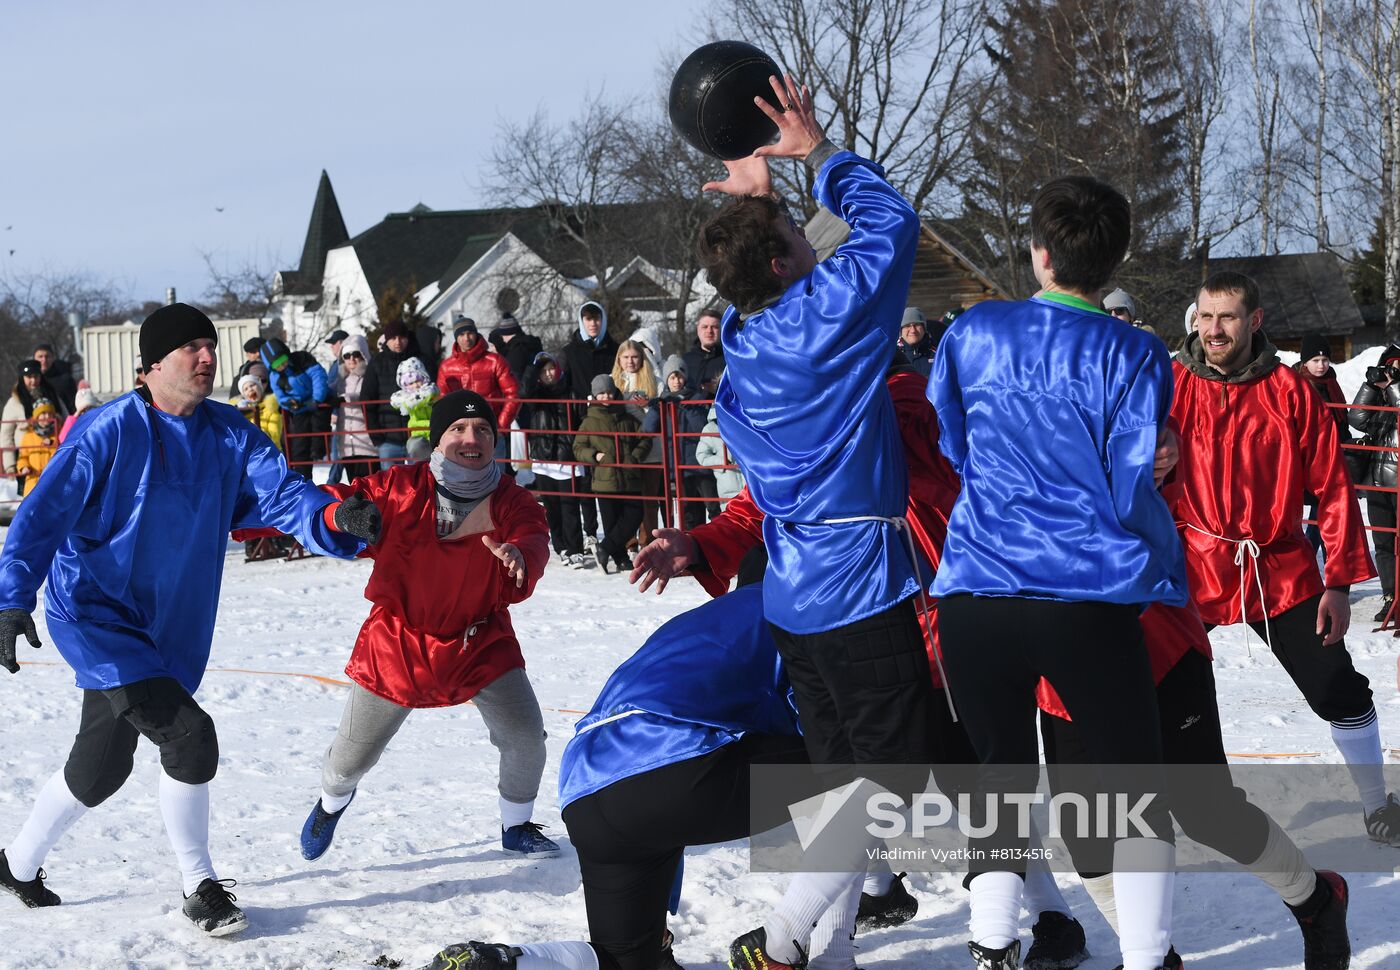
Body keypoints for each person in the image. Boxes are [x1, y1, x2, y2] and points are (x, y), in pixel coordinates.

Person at [0, 303, 381, 935]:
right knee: (188, 734)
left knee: (100, 770)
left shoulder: (229, 435)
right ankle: (199, 884)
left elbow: (284, 496)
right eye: (191, 348)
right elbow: (41, 516)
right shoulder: (106, 431)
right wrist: (12, 598)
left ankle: (15, 864)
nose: (208, 358)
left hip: (168, 626)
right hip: (95, 617)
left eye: (211, 346)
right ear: (151, 366)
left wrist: (335, 520)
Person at [695, 75, 946, 970]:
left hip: (793, 595)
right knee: (890, 781)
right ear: (778, 264)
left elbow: (746, 288)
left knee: (844, 788)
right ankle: (787, 931)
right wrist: (817, 155)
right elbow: (892, 227)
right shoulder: (823, 322)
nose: (813, 240)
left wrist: (761, 209)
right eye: (798, 235)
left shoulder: (740, 346)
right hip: (858, 588)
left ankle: (824, 954)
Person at [931, 176, 1187, 970]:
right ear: (1114, 262)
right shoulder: (1136, 349)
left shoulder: (972, 332)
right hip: (1083, 593)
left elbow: (955, 444)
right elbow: (1128, 475)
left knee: (995, 783)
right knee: (1132, 797)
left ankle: (991, 947)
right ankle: (1146, 960)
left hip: (977, 589)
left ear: (1039, 254)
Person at [1172, 271, 1400, 847]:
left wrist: (1342, 582)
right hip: (1191, 562)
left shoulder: (1290, 390)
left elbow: (1332, 487)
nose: (1214, 329)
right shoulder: (1171, 386)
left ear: (1255, 321)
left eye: (1227, 317)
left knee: (1333, 684)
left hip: (1277, 566)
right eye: (1205, 316)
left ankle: (1377, 803)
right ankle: (1211, 805)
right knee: (1172, 692)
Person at [296, 390, 560, 862]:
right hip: (398, 643)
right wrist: (341, 514)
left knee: (526, 736)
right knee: (350, 758)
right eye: (457, 428)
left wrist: (522, 555)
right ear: (437, 439)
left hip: (480, 641)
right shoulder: (399, 486)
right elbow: (326, 502)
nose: (470, 437)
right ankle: (330, 804)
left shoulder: (511, 499)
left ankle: (516, 827)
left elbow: (532, 533)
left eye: (481, 429)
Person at [574, 376, 649, 574]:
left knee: (634, 515)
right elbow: (579, 447)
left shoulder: (627, 417)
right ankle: (621, 559)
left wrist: (635, 456)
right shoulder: (589, 422)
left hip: (629, 477)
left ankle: (604, 548)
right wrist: (594, 455)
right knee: (611, 523)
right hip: (605, 480)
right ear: (595, 395)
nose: (606, 396)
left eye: (609, 392)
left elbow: (644, 440)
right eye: (601, 393)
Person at [563, 302, 620, 557]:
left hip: (610, 419)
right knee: (585, 480)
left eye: (596, 318)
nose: (593, 323)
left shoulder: (614, 348)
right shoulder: (570, 352)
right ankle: (589, 531)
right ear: (581, 321)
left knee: (611, 475)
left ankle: (616, 534)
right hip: (583, 419)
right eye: (588, 319)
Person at [524, 352, 590, 569]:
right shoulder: (535, 395)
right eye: (543, 371)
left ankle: (576, 548)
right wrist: (533, 369)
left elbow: (582, 422)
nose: (548, 374)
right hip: (543, 457)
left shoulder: (572, 392)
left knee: (569, 505)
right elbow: (523, 392)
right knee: (551, 506)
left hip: (567, 457)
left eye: (551, 368)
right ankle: (561, 546)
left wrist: (576, 446)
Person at [1347, 344, 1400, 620]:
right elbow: (1355, 418)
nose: (1393, 373)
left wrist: (1394, 386)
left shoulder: (1396, 396)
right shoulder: (1381, 401)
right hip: (1378, 483)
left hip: (1399, 485)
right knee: (1382, 544)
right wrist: (1372, 385)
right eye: (1391, 367)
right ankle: (1391, 596)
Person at [1294, 333, 1353, 557]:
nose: (1321, 365)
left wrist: (1347, 442)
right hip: (1305, 458)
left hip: (1331, 457)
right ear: (1305, 362)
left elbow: (1341, 420)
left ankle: (1322, 559)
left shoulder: (1331, 383)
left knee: (1324, 510)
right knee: (1308, 512)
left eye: (1325, 360)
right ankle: (1307, 558)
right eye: (1316, 361)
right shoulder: (1298, 384)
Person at [437, 316, 521, 471]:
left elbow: (513, 393)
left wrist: (500, 425)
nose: (466, 338)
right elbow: (442, 402)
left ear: (476, 334)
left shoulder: (495, 361)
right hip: (460, 434)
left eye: (470, 333)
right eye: (461, 335)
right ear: (456, 337)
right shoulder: (446, 367)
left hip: (490, 430)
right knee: (463, 482)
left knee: (496, 479)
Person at [260, 337, 330, 480]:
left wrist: (316, 399)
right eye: (277, 364)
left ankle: (318, 451)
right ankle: (303, 476)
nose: (282, 365)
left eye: (283, 359)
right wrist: (290, 403)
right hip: (299, 408)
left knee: (319, 425)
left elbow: (318, 376)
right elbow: (280, 395)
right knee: (299, 441)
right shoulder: (275, 376)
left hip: (318, 401)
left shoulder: (302, 359)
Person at [613, 340, 661, 545]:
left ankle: (649, 539)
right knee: (628, 498)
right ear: (619, 360)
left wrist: (648, 406)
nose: (630, 361)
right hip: (625, 447)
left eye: (634, 356)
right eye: (626, 357)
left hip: (650, 449)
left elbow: (659, 414)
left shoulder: (655, 381)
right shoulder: (613, 381)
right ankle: (628, 540)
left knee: (650, 499)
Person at [363, 318, 424, 469]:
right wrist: (376, 435)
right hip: (388, 438)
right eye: (393, 338)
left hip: (418, 434)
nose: (398, 342)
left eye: (402, 337)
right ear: (386, 340)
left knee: (420, 480)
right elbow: (366, 399)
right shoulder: (376, 364)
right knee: (390, 484)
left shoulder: (420, 361)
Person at [2, 360, 64, 493]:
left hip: (51, 457)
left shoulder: (51, 395)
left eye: (36, 376)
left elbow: (65, 420)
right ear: (22, 378)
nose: (33, 381)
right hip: (27, 460)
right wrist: (10, 465)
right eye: (29, 377)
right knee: (30, 496)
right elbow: (5, 434)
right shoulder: (14, 402)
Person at [336, 334, 380, 483]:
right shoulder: (341, 381)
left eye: (356, 354)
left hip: (366, 443)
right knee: (353, 487)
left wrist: (347, 398)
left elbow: (366, 397)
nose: (351, 359)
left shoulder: (370, 377)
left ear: (363, 355)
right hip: (347, 445)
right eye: (347, 355)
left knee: (369, 487)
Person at [695, 404, 744, 508]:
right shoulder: (710, 429)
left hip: (749, 483)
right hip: (727, 482)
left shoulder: (743, 424)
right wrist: (721, 461)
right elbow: (701, 455)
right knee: (731, 516)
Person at [391, 357, 439, 463]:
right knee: (414, 447)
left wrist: (408, 405)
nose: (415, 385)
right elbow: (394, 400)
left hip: (435, 431)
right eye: (410, 383)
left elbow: (426, 394)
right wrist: (407, 400)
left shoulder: (431, 389)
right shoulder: (405, 395)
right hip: (418, 433)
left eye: (418, 381)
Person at [15, 400, 59, 499]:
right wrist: (24, 467)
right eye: (43, 413)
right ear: (36, 416)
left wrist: (53, 444)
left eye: (49, 413)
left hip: (51, 481)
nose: (47, 417)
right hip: (32, 481)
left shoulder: (58, 434)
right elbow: (23, 457)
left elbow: (61, 455)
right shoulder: (28, 436)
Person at [681, 309, 726, 396]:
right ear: (698, 330)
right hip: (690, 408)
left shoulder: (729, 360)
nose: (709, 331)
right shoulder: (685, 361)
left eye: (715, 327)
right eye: (705, 327)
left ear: (721, 330)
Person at [231, 373, 282, 448]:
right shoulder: (242, 411)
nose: (250, 389)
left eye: (252, 385)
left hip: (269, 450)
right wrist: (241, 413)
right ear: (244, 396)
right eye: (246, 389)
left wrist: (263, 433)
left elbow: (275, 435)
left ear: (260, 388)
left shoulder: (271, 409)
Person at [32, 344, 76, 415]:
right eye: (40, 357)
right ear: (34, 359)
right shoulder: (31, 381)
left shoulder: (65, 380)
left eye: (47, 356)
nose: (44, 360)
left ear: (53, 358)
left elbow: (73, 407)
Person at [897, 307, 935, 376]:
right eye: (907, 325)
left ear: (924, 328)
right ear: (901, 330)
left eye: (917, 325)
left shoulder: (937, 354)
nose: (913, 330)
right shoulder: (893, 356)